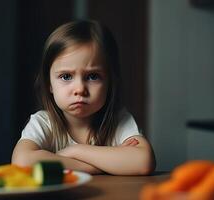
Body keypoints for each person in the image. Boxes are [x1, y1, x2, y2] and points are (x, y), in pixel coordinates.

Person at [12, 20, 155, 175]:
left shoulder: (119, 121)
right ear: (49, 84)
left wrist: (75, 150)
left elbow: (143, 162)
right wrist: (98, 167)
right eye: (66, 76)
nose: (80, 89)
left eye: (93, 76)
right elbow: (22, 161)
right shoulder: (44, 123)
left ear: (110, 82)